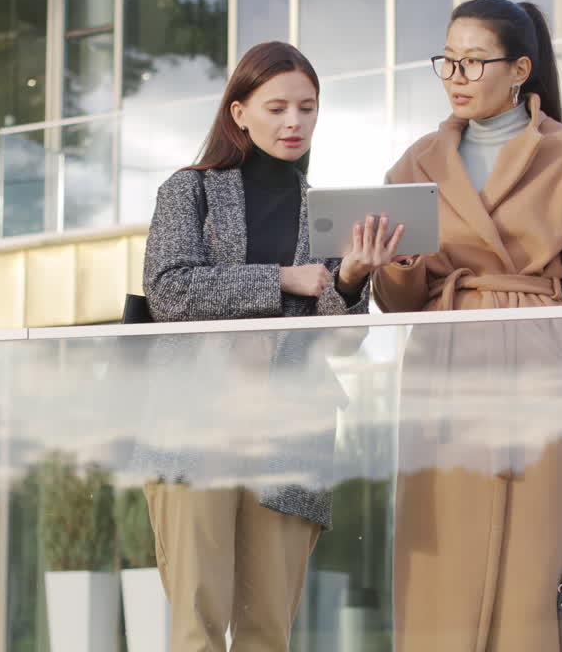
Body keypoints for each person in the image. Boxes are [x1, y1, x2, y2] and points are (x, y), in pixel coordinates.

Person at [372, 0, 562, 651]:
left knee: (531, 579)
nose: (455, 75)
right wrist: (395, 266)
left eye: (473, 62)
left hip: (543, 372)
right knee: (439, 574)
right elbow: (396, 300)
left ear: (518, 70)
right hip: (444, 375)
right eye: (447, 61)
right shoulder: (417, 163)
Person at [135, 40, 402, 652]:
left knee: (268, 633)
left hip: (292, 425)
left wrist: (351, 279)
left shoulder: (328, 212)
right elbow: (170, 291)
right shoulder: (190, 191)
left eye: (307, 109)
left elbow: (347, 338)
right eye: (277, 107)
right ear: (239, 112)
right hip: (196, 420)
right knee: (196, 628)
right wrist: (283, 279)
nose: (294, 122)